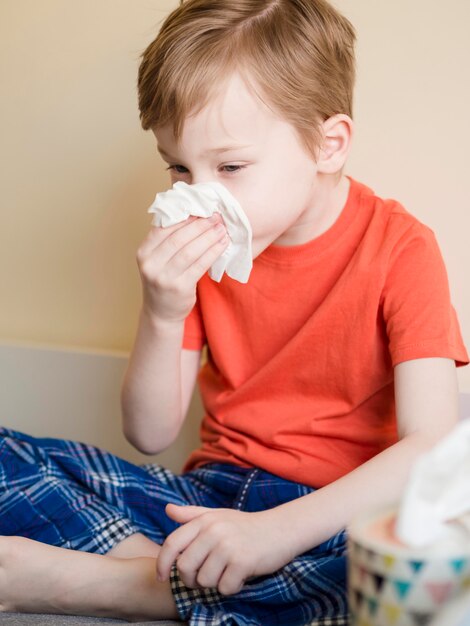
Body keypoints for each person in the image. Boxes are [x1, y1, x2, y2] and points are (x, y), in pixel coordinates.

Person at [0, 0, 468, 624]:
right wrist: (163, 312)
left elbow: (431, 445)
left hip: (333, 515)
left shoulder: (400, 248)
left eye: (229, 167)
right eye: (179, 167)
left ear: (328, 145)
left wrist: (274, 535)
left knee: (405, 571)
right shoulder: (208, 254)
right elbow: (150, 434)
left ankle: (130, 588)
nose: (198, 196)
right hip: (209, 498)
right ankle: (187, 575)